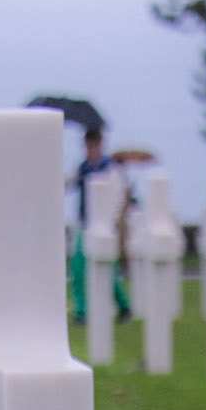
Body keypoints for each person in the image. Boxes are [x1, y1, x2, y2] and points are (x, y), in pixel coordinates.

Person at [68, 124, 130, 324]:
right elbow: (68, 184)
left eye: (92, 145)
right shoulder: (83, 168)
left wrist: (111, 221)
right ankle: (81, 311)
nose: (89, 149)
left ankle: (123, 305)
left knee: (106, 269)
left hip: (103, 225)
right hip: (85, 223)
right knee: (77, 268)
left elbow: (118, 196)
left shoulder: (110, 168)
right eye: (87, 145)